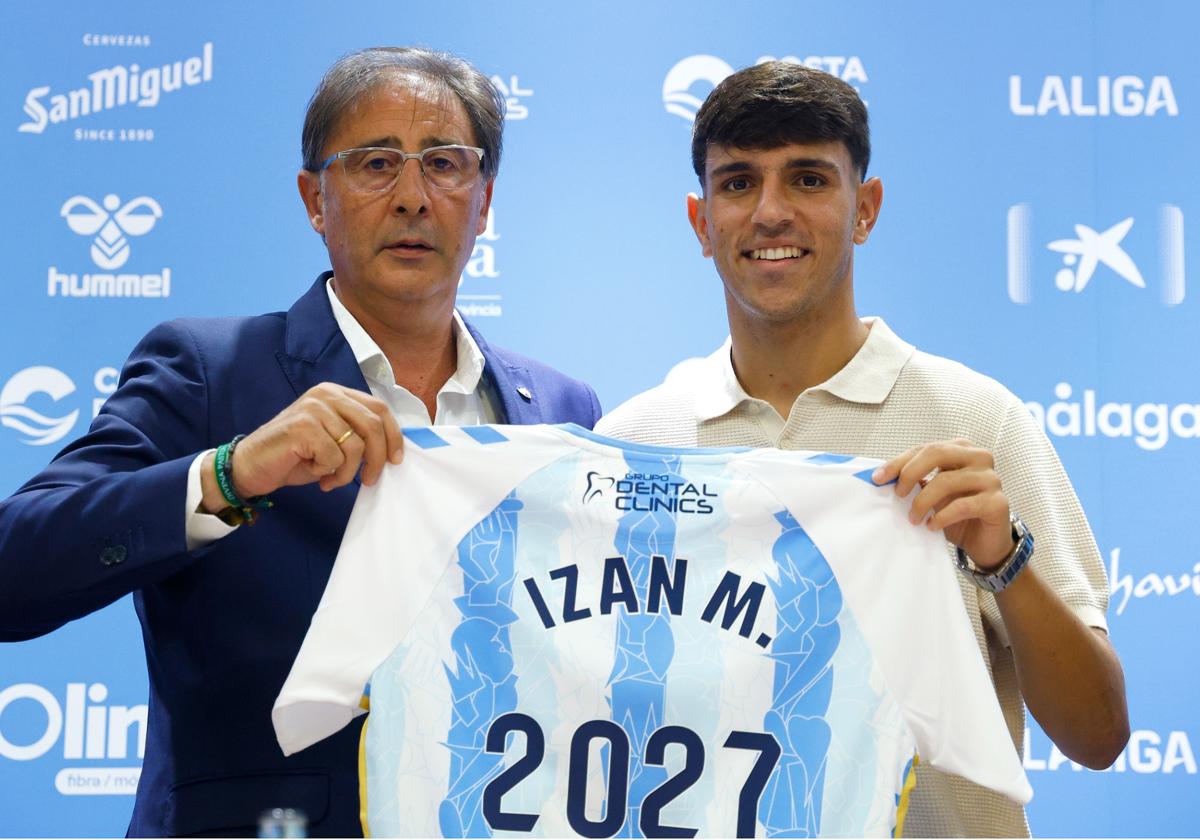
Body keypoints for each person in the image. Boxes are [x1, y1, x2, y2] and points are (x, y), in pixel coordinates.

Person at [0, 47, 599, 837]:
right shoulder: (212, 372)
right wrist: (230, 473)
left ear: (484, 202)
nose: (414, 197)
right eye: (376, 164)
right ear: (315, 199)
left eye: (445, 165)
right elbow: (15, 568)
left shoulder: (563, 409)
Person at [595, 61, 1128, 837]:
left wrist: (1001, 559)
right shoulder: (634, 443)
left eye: (808, 180)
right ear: (701, 222)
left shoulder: (979, 421)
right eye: (739, 183)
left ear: (865, 209)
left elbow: (1099, 736)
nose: (770, 213)